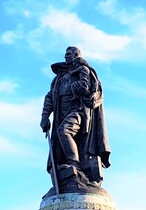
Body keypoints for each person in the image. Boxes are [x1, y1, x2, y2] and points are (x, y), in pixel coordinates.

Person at [40, 46, 110, 186]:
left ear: (76, 55)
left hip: (78, 111)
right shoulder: (59, 78)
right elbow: (50, 97)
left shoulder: (83, 70)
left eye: (69, 54)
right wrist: (45, 115)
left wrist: (76, 87)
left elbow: (87, 87)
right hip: (61, 113)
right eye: (65, 54)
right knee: (60, 139)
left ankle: (74, 165)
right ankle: (67, 166)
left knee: (64, 131)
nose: (66, 56)